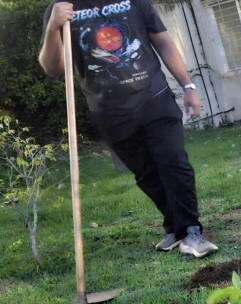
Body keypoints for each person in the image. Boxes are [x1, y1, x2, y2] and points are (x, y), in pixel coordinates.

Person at [39, 1, 217, 258]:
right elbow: (52, 68)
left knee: (174, 162)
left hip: (154, 98)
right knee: (145, 173)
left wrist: (188, 87)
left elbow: (164, 42)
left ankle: (191, 231)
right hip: (109, 111)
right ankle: (175, 228)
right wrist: (53, 27)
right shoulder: (62, 8)